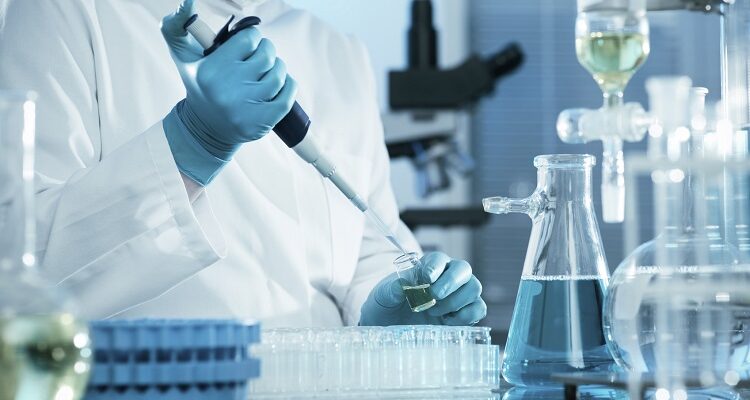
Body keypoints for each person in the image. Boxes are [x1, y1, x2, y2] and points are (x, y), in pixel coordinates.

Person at [0, 0, 486, 327]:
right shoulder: (68, 11)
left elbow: (366, 242)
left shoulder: (336, 49)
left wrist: (388, 312)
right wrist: (192, 144)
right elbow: (19, 267)